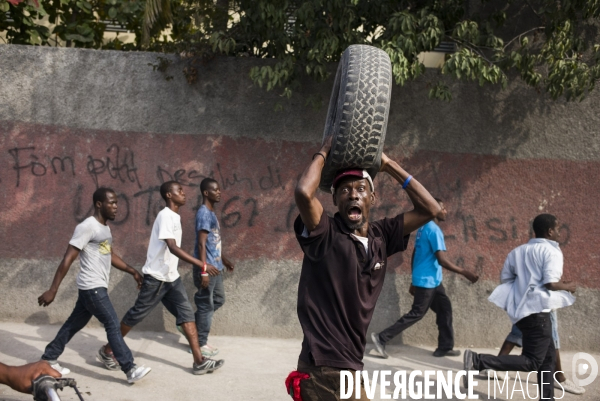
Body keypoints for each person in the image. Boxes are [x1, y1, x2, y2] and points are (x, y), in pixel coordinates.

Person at [289, 137, 440, 401]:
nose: (353, 194)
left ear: (372, 197)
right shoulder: (325, 233)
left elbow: (431, 208)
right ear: (335, 199)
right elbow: (303, 192)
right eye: (345, 190)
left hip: (350, 364)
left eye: (360, 188)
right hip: (323, 365)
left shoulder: (382, 235)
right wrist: (324, 151)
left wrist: (388, 164)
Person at [102, 181, 224, 375]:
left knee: (186, 315)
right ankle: (108, 349)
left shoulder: (175, 216)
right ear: (169, 195)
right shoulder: (165, 216)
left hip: (171, 278)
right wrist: (202, 265)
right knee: (136, 315)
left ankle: (199, 361)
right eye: (180, 191)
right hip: (156, 278)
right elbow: (172, 247)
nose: (184, 194)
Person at [38, 187, 151, 383]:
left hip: (92, 288)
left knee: (74, 324)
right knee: (113, 324)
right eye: (112, 202)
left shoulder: (104, 229)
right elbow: (68, 258)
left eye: (117, 202)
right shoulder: (87, 226)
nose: (116, 207)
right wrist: (53, 289)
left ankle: (49, 358)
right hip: (93, 287)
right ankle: (129, 368)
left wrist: (132, 270)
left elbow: (109, 255)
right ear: (99, 204)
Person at [464, 214, 576, 401]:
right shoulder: (552, 252)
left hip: (525, 313)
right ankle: (478, 360)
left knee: (547, 359)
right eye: (557, 228)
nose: (559, 232)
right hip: (538, 314)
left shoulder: (518, 251)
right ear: (550, 231)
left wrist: (523, 292)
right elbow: (550, 283)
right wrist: (568, 287)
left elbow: (506, 280)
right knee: (532, 361)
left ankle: (547, 398)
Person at [371, 198, 479, 358]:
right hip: (427, 281)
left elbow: (416, 253)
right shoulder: (434, 230)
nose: (445, 211)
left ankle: (445, 346)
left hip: (432, 281)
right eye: (442, 208)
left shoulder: (423, 228)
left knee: (445, 309)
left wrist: (413, 278)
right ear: (434, 210)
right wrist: (465, 272)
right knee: (417, 313)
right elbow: (442, 260)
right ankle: (381, 338)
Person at [183, 178, 234, 357]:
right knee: (205, 304)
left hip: (216, 267)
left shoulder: (211, 213)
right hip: (207, 268)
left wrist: (224, 260)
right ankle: (199, 343)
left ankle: (191, 328)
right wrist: (204, 269)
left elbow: (213, 243)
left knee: (218, 300)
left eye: (219, 189)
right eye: (215, 190)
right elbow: (201, 244)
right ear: (206, 193)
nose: (219, 192)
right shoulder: (204, 213)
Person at [482, 310, 585, 394]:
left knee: (519, 331)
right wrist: (565, 287)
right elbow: (550, 285)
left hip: (527, 300)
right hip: (541, 302)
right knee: (546, 343)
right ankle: (559, 378)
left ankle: (494, 366)